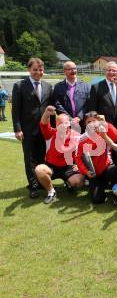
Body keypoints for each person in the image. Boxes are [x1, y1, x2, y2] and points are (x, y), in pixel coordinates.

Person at [12, 58, 53, 198]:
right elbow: (15, 110)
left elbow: (49, 108)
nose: (38, 72)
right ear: (29, 69)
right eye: (35, 69)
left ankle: (41, 182)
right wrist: (17, 129)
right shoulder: (19, 86)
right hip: (27, 129)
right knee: (29, 158)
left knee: (42, 157)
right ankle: (33, 186)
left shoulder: (48, 86)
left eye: (41, 69)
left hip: (43, 129)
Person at [34, 106, 84, 204]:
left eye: (65, 123)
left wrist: (78, 165)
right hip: (51, 165)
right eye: (60, 123)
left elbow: (82, 152)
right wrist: (46, 112)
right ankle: (51, 192)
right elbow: (43, 123)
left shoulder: (76, 135)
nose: (63, 126)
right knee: (39, 170)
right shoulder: (51, 133)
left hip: (68, 166)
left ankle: (69, 183)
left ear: (69, 123)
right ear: (56, 125)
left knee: (78, 181)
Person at [75, 112, 117, 204]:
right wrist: (86, 172)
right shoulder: (81, 139)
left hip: (107, 167)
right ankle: (102, 188)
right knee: (97, 200)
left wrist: (105, 122)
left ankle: (116, 196)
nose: (91, 124)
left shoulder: (104, 132)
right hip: (94, 173)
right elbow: (78, 158)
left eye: (94, 121)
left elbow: (116, 137)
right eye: (88, 122)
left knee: (113, 171)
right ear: (85, 124)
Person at [88, 61, 117, 130]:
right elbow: (92, 108)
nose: (111, 72)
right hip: (103, 126)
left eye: (114, 70)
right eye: (109, 70)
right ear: (105, 72)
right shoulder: (96, 87)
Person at [53, 61, 90, 126]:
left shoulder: (86, 86)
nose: (73, 71)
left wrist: (79, 117)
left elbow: (87, 104)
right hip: (66, 124)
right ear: (64, 71)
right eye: (70, 69)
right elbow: (57, 104)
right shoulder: (58, 87)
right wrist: (69, 119)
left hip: (82, 123)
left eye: (74, 68)